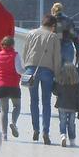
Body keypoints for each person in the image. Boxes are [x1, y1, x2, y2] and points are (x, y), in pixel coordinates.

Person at [23, 14, 62, 144]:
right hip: (47, 71)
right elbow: (57, 58)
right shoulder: (53, 37)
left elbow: (25, 52)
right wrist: (57, 74)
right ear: (53, 26)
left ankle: (35, 129)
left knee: (33, 101)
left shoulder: (31, 33)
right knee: (46, 102)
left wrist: (26, 68)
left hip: (31, 70)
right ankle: (46, 131)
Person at [0, 36, 23, 139]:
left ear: (2, 45)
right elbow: (19, 70)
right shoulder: (15, 55)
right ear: (13, 45)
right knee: (17, 106)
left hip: (2, 86)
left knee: (4, 110)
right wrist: (25, 73)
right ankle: (13, 123)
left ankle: (4, 134)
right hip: (14, 85)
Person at [53, 63, 79, 146]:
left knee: (62, 121)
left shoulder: (61, 81)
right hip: (72, 107)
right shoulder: (76, 83)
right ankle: (72, 139)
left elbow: (55, 91)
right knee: (71, 123)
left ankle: (63, 135)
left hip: (62, 105)